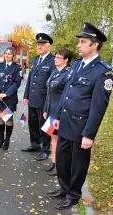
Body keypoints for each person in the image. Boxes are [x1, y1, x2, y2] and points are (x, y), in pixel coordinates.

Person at [48, 22, 113, 210]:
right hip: (65, 122)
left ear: (94, 45)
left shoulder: (103, 71)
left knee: (77, 165)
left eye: (83, 41)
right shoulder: (76, 65)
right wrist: (57, 117)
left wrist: (89, 134)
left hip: (81, 128)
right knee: (62, 159)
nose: (79, 44)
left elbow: (98, 107)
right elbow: (66, 93)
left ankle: (73, 195)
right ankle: (64, 188)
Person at [21, 33, 55, 161]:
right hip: (33, 98)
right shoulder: (35, 60)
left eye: (42, 44)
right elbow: (30, 79)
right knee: (33, 123)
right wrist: (26, 95)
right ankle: (35, 144)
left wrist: (50, 101)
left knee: (46, 124)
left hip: (45, 99)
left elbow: (53, 82)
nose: (39, 47)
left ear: (48, 46)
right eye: (38, 44)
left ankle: (46, 149)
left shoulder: (52, 61)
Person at [42, 48, 72, 176]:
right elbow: (48, 93)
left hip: (59, 112)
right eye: (55, 57)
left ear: (66, 60)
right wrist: (45, 109)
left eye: (58, 57)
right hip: (50, 110)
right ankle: (54, 162)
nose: (55, 59)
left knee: (59, 139)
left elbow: (67, 96)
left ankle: (60, 165)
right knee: (53, 137)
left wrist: (59, 114)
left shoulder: (68, 74)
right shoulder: (54, 72)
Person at [0, 47, 22, 150]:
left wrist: (6, 94)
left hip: (9, 98)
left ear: (13, 56)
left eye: (10, 54)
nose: (7, 55)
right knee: (0, 118)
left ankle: (7, 140)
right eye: (6, 53)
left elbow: (16, 83)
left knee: (8, 119)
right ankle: (1, 139)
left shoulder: (17, 67)